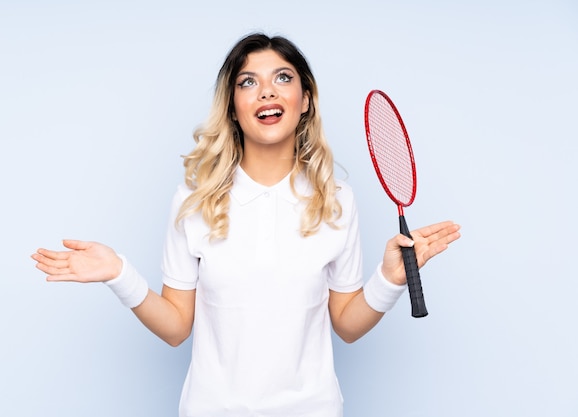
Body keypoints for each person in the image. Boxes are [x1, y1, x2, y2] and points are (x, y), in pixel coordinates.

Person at [31, 33, 461, 417]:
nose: (266, 92)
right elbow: (177, 327)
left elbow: (347, 325)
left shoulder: (338, 203)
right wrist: (119, 274)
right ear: (234, 107)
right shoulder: (194, 201)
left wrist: (389, 279)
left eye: (283, 78)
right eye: (248, 82)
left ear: (306, 99)